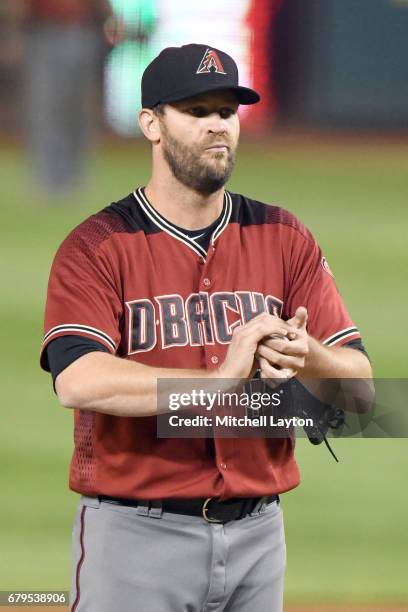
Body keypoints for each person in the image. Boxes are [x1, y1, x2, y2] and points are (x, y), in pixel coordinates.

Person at [40, 44, 372, 612]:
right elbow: (78, 381)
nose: (217, 125)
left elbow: (361, 392)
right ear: (151, 123)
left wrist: (308, 355)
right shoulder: (97, 247)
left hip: (260, 537)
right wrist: (219, 381)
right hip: (136, 542)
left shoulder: (284, 237)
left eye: (227, 111)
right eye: (197, 111)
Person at [22, 0, 113, 196]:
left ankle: (75, 179)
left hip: (83, 32)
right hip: (44, 33)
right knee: (47, 111)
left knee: (78, 111)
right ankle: (49, 181)